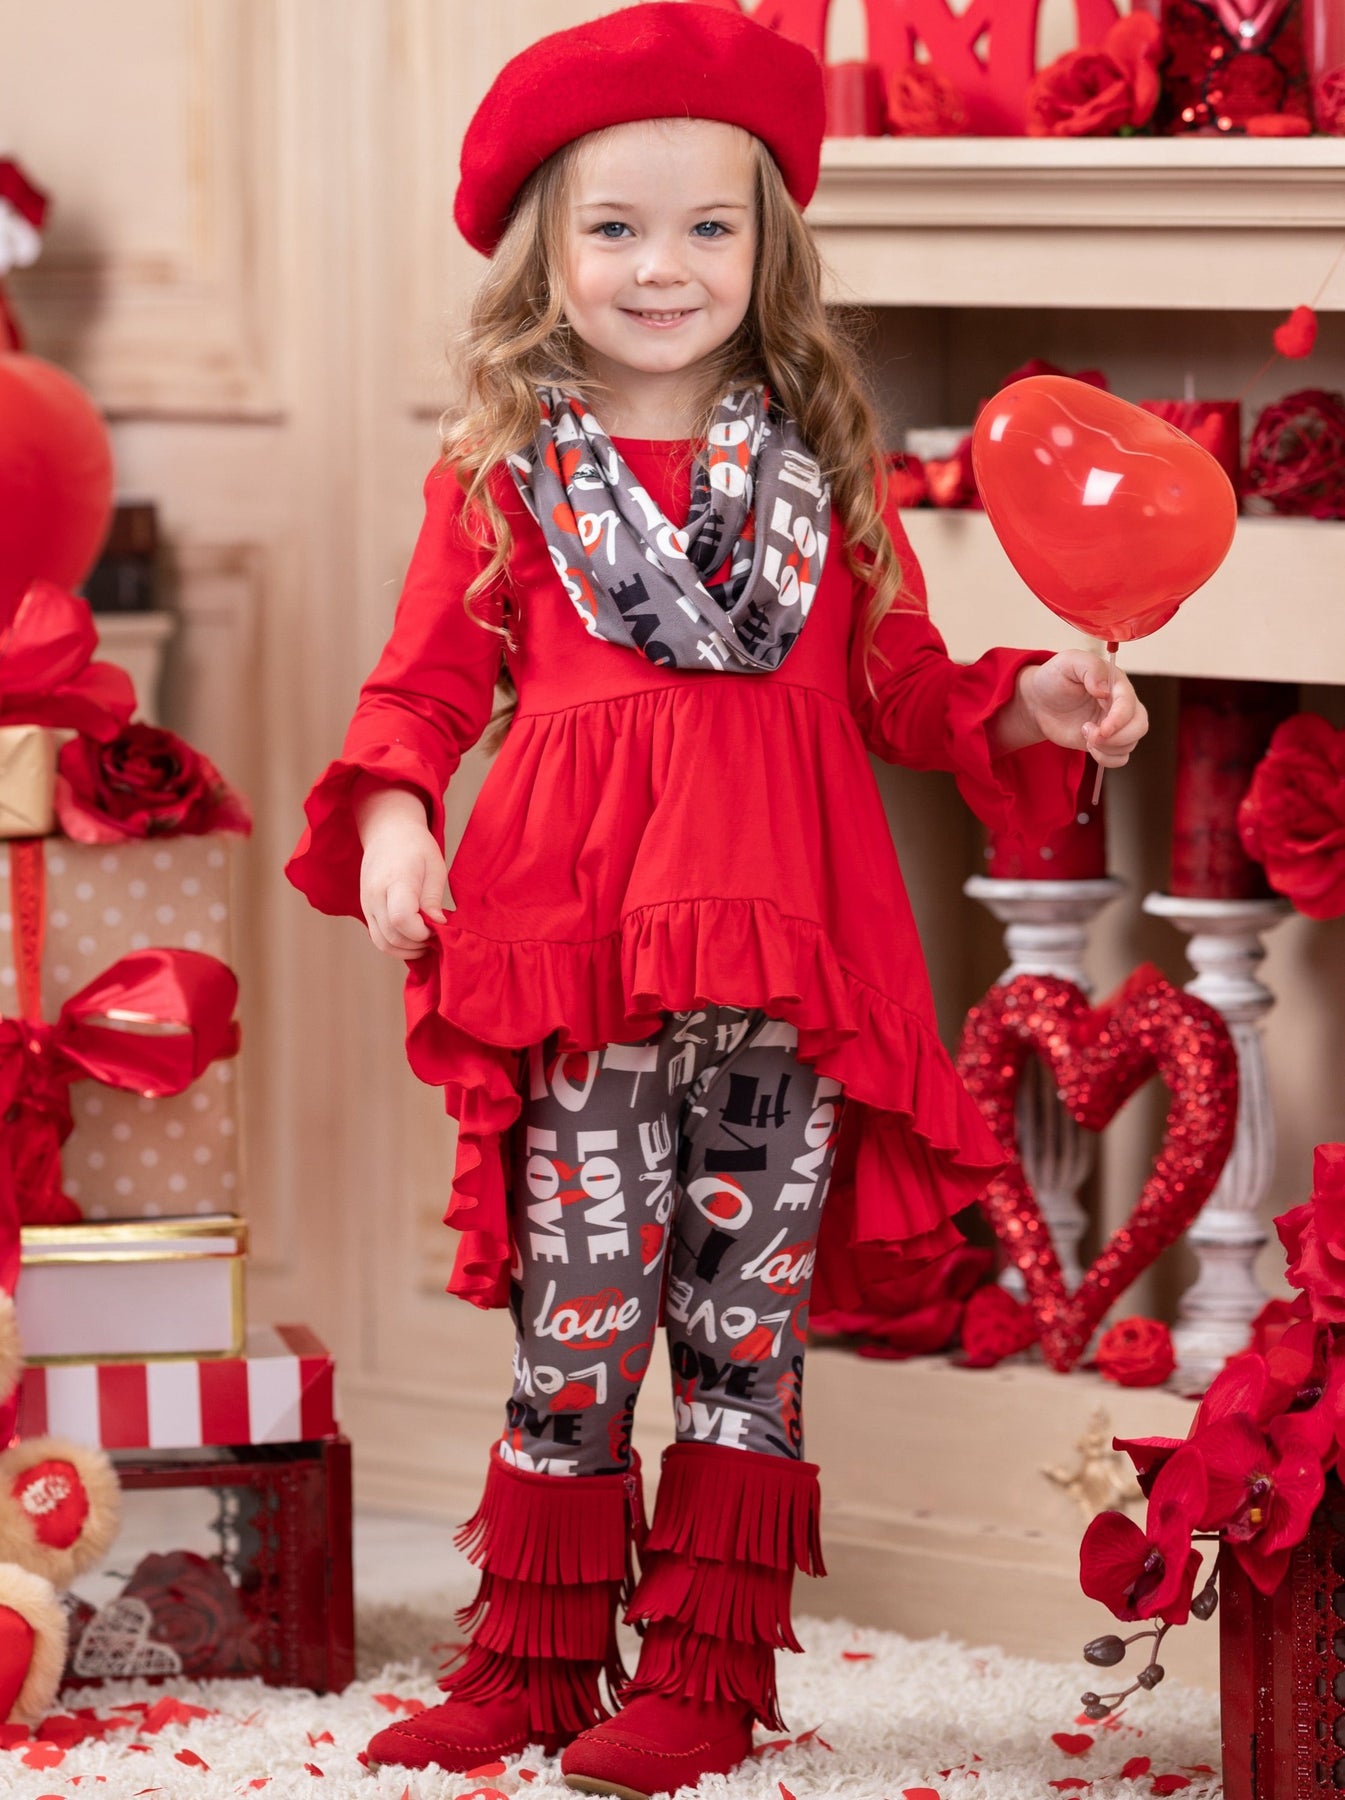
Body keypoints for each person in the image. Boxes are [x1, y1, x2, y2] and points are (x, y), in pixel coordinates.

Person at [286, 7, 1149, 1795]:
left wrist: (1032, 702)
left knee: (743, 1320)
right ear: (546, 252)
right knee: (580, 1306)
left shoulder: (828, 476)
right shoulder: (501, 473)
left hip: (783, 947)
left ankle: (702, 1675)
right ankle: (533, 1666)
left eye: (705, 227)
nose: (659, 266)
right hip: (575, 946)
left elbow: (903, 692)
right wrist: (391, 824)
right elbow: (418, 691)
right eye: (612, 227)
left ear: (768, 249)